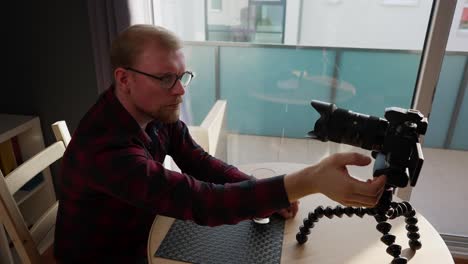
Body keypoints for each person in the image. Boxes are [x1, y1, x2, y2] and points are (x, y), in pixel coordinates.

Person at [54, 24, 387, 263]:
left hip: (142, 228)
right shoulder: (106, 149)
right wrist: (308, 180)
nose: (180, 90)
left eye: (183, 76)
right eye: (166, 78)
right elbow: (202, 202)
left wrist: (258, 190)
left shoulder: (148, 110)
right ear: (124, 79)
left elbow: (197, 161)